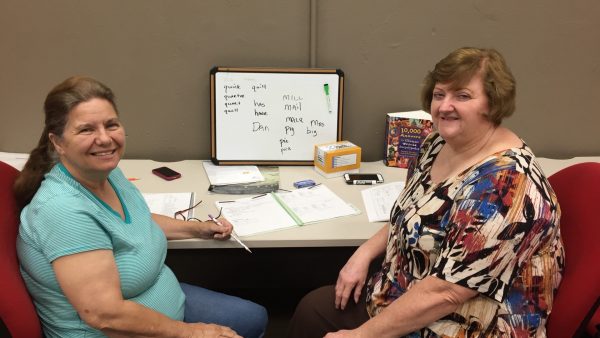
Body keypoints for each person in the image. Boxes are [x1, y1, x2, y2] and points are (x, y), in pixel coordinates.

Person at [287, 47, 564, 337]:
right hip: (402, 291)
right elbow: (412, 212)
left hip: (465, 323)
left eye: (462, 96)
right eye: (439, 94)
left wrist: (360, 335)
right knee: (312, 310)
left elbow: (446, 292)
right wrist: (364, 253)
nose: (445, 106)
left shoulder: (505, 186)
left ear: (493, 104)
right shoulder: (438, 143)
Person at [14, 76, 268, 338]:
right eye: (86, 130)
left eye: (111, 125)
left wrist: (197, 229)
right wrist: (193, 332)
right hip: (112, 330)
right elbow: (104, 315)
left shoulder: (106, 173)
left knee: (253, 317)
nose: (104, 139)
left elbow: (137, 221)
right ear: (57, 142)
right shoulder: (62, 211)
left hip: (162, 302)